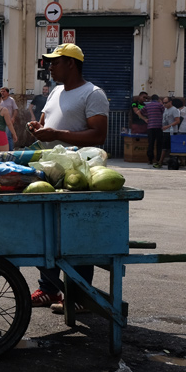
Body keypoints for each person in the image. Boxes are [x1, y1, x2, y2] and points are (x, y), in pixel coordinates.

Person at [27, 43, 109, 314]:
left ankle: (76, 294)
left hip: (78, 176)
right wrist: (38, 129)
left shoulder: (93, 93)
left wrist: (57, 134)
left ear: (71, 63)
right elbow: (45, 124)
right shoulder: (55, 92)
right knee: (43, 231)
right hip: (48, 171)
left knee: (75, 235)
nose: (50, 67)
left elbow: (98, 135)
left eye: (55, 62)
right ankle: (49, 288)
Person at [143, 94, 165, 167]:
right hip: (159, 126)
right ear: (158, 99)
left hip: (150, 127)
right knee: (159, 144)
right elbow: (164, 112)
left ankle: (150, 159)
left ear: (151, 99)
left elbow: (139, 112)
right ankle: (158, 159)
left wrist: (145, 119)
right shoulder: (160, 105)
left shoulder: (148, 106)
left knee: (151, 143)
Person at [160, 96, 181, 165]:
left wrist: (168, 126)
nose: (164, 104)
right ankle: (162, 161)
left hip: (171, 131)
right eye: (163, 103)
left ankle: (161, 161)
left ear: (170, 102)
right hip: (165, 130)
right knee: (164, 147)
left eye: (166, 103)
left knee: (167, 147)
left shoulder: (174, 110)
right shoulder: (165, 110)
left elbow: (177, 121)